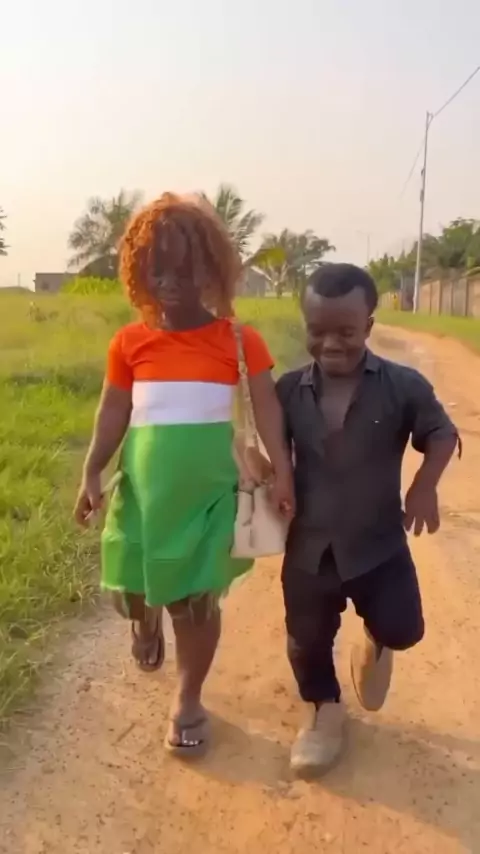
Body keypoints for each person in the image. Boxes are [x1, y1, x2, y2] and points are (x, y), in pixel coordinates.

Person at [74, 192, 293, 758]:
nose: (169, 282)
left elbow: (268, 409)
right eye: (156, 270)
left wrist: (283, 473)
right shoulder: (130, 342)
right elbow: (113, 411)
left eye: (184, 268)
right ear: (138, 273)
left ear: (211, 269)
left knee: (195, 602)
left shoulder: (240, 341)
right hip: (144, 496)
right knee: (133, 590)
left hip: (209, 498)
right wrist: (92, 471)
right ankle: (143, 621)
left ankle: (188, 698)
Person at [276, 263, 459, 776]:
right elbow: (266, 441)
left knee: (404, 629)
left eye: (346, 332)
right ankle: (323, 711)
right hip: (310, 548)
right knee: (306, 638)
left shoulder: (402, 385)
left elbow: (442, 433)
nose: (330, 343)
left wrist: (424, 486)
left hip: (378, 543)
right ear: (305, 325)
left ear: (369, 327)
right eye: (318, 331)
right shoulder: (288, 390)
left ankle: (377, 641)